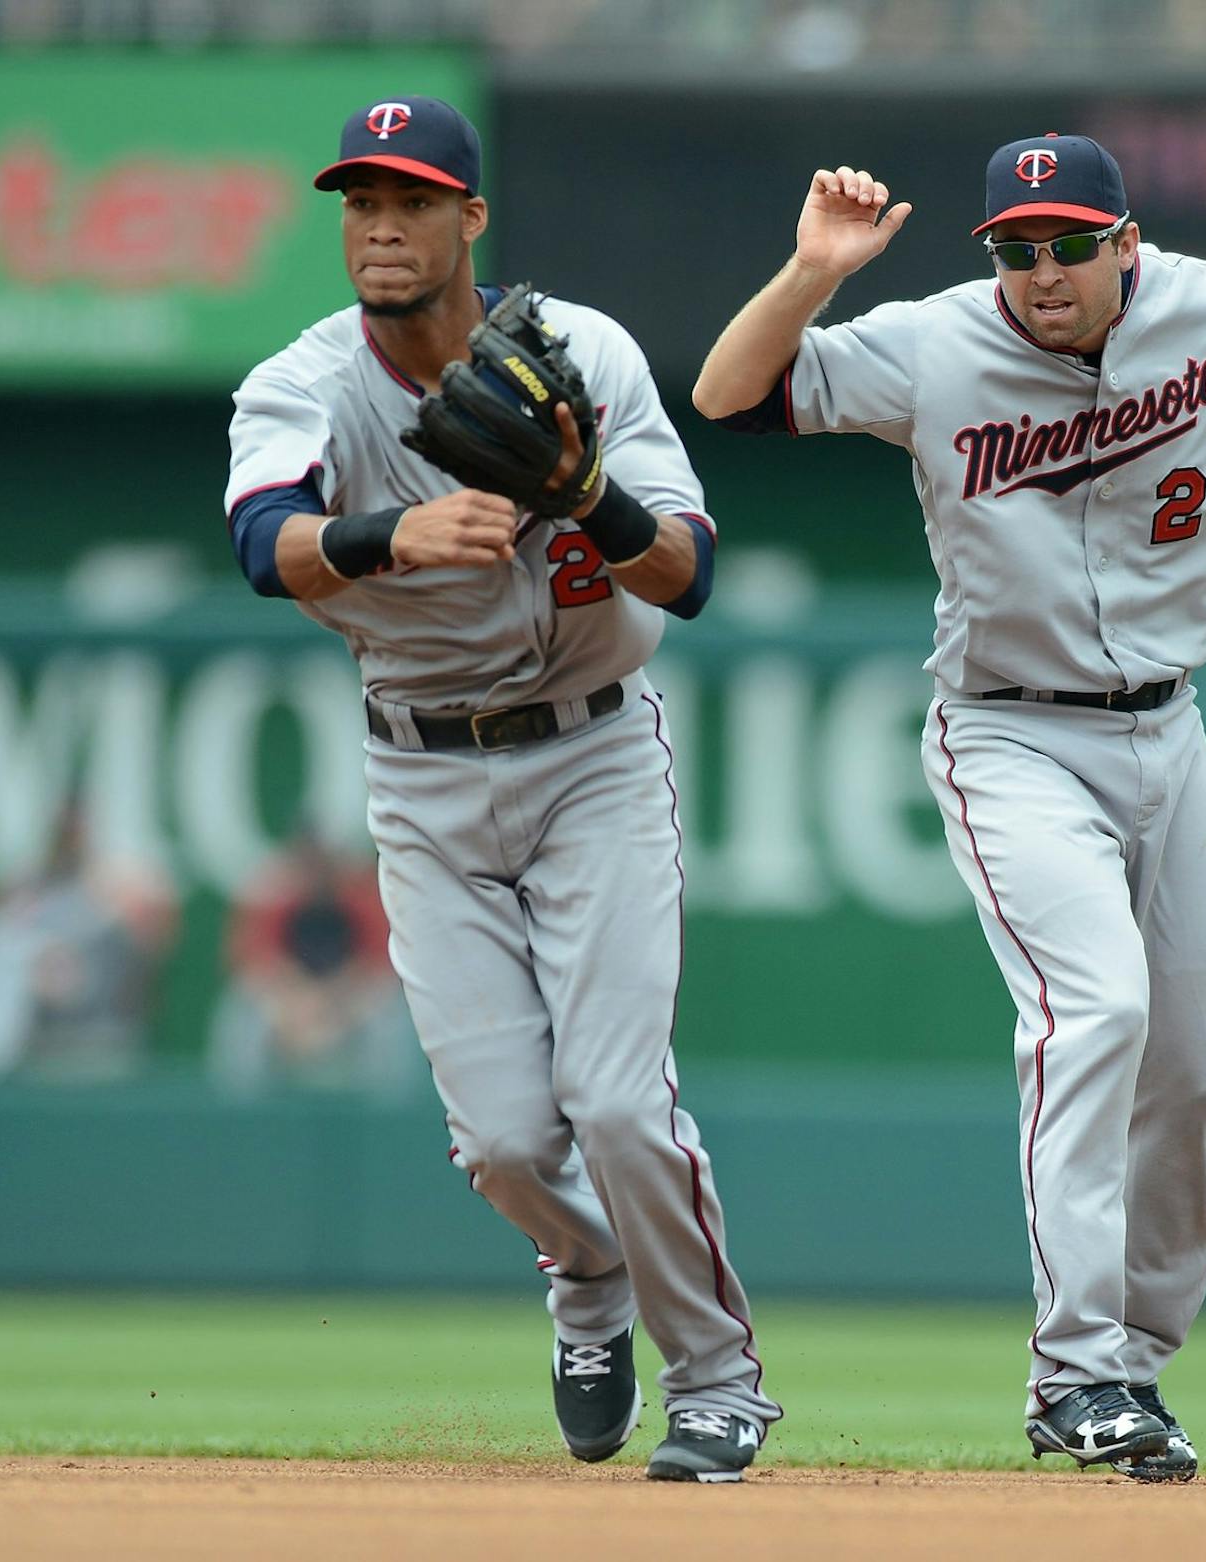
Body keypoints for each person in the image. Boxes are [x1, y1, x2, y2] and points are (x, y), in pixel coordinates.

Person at [693, 135, 1206, 1481]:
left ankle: (1136, 1372)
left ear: (1129, 242)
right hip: (1008, 731)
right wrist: (812, 272)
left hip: (1171, 733)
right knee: (1097, 1008)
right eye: (1017, 247)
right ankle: (1077, 1370)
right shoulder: (932, 345)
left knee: (1195, 1067)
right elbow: (727, 395)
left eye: (1071, 243)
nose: (1044, 271)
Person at [223, 95, 779, 1481]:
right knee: (506, 1141)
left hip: (594, 752)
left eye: (409, 202)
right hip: (422, 772)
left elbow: (690, 576)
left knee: (616, 1098)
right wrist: (393, 534)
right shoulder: (304, 382)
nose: (379, 228)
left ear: (470, 219)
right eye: (359, 203)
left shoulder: (584, 354)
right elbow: (258, 542)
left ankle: (716, 1378)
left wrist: (588, 488)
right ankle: (587, 1277)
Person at [0, 803, 177, 1085]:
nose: (72, 843)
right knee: (3, 953)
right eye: (66, 834)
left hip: (103, 1032)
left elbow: (154, 939)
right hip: (38, 1034)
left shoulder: (116, 887)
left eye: (78, 834)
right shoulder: (28, 886)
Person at [205, 830, 416, 1101]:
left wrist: (332, 1003)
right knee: (243, 1009)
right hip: (290, 1002)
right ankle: (241, 1112)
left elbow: (382, 964)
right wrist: (298, 1002)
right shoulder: (276, 896)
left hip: (348, 1002)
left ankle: (385, 1113)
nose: (314, 872)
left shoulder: (357, 894)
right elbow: (253, 962)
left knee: (388, 1012)